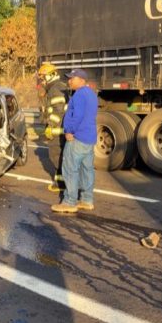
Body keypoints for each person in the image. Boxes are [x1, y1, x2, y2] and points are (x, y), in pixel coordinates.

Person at [51, 68, 98, 214]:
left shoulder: (78, 95)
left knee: (70, 169)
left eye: (72, 78)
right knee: (87, 169)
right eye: (69, 78)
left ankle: (70, 202)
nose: (69, 81)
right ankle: (86, 200)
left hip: (77, 137)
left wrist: (70, 130)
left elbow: (76, 116)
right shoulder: (91, 94)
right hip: (89, 138)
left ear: (81, 80)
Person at [37, 62, 69, 192]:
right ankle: (60, 183)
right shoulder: (57, 87)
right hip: (61, 129)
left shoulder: (55, 89)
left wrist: (50, 126)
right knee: (59, 156)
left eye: (43, 77)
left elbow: (58, 110)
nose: (42, 81)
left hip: (58, 130)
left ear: (51, 76)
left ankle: (62, 184)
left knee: (56, 156)